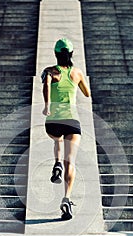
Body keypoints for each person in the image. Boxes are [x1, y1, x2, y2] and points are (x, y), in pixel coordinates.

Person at [41, 38, 90, 220]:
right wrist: (77, 83)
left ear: (55, 54)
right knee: (72, 160)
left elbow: (46, 85)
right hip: (72, 120)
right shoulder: (76, 73)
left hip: (53, 119)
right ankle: (66, 198)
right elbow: (87, 93)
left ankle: (57, 163)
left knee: (57, 139)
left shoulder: (49, 72)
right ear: (71, 54)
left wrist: (47, 105)